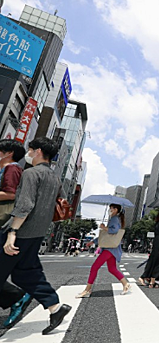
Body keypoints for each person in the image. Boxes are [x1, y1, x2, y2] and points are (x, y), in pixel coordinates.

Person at [0, 137, 71, 334]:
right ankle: (55, 308)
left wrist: (12, 232)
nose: (28, 154)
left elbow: (25, 205)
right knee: (27, 273)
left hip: (21, 231)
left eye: (30, 150)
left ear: (38, 151)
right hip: (38, 232)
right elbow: (62, 200)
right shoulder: (55, 177)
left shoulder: (31, 173)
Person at [0, 139, 30, 328]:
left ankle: (17, 297)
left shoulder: (12, 169)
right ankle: (16, 297)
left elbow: (12, 194)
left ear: (8, 152)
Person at [76, 204, 131, 298]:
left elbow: (114, 231)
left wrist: (104, 228)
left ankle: (87, 290)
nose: (110, 210)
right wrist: (93, 241)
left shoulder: (114, 219)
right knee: (112, 269)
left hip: (110, 249)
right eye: (110, 208)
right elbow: (105, 236)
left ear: (116, 210)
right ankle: (126, 284)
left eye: (112, 208)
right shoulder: (114, 219)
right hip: (112, 248)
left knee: (94, 267)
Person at [138, 209, 159, 288]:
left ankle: (149, 278)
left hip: (156, 241)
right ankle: (152, 281)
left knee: (155, 259)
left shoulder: (157, 223)